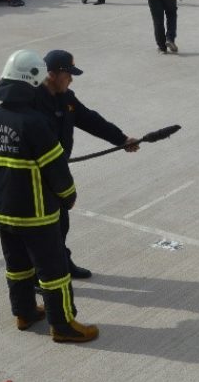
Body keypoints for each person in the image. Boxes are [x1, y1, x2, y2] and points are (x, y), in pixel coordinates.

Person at [0, 49, 98, 343]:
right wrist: (68, 197)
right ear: (33, 81)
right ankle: (63, 325)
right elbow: (57, 172)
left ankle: (24, 312)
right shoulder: (35, 123)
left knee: (18, 265)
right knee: (54, 270)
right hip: (37, 213)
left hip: (3, 211)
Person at [41, 49, 140, 279]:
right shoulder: (35, 102)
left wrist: (122, 140)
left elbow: (90, 119)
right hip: (39, 175)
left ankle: (62, 261)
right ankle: (41, 274)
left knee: (60, 223)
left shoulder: (67, 98)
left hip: (57, 172)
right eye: (68, 74)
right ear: (52, 75)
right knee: (43, 229)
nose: (71, 79)